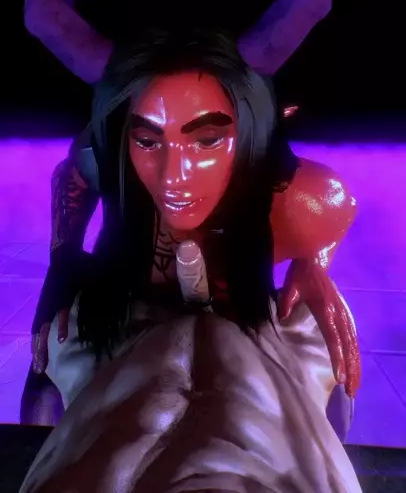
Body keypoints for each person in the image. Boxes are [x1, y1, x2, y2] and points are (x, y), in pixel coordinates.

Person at [20, 28, 361, 493]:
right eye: (148, 141)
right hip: (128, 296)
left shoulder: (302, 199)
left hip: (237, 306)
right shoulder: (106, 160)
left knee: (332, 359)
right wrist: (63, 260)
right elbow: (72, 177)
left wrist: (313, 263)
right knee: (45, 359)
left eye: (206, 140)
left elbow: (337, 210)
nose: (173, 176)